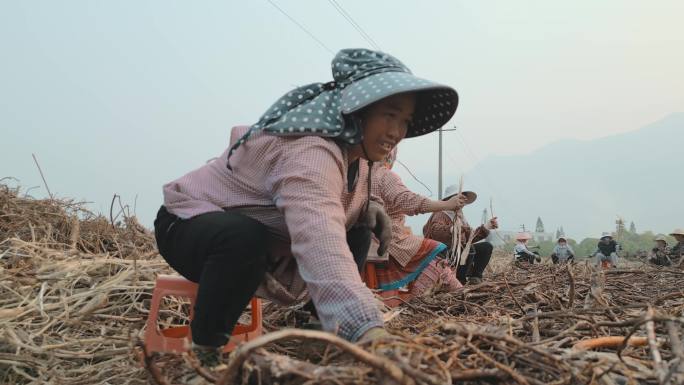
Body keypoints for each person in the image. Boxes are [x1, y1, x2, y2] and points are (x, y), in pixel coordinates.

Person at [154, 48, 459, 365]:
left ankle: (317, 328)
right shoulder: (310, 152)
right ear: (357, 111)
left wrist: (369, 207)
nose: (397, 132)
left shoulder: (361, 157)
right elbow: (320, 238)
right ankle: (204, 352)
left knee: (356, 230)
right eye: (389, 115)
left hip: (265, 239)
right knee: (243, 238)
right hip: (187, 225)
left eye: (405, 121)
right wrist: (369, 330)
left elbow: (338, 202)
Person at [368, 150, 466, 296]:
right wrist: (447, 207)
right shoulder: (385, 176)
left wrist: (484, 228)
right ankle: (419, 297)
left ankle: (460, 289)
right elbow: (409, 202)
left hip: (368, 237)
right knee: (437, 251)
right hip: (390, 239)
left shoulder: (362, 175)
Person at [423, 184, 499, 284]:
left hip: (459, 255)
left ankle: (475, 277)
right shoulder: (441, 213)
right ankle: (459, 280)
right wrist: (452, 229)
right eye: (460, 199)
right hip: (443, 255)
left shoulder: (459, 217)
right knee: (465, 249)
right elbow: (436, 232)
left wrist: (487, 226)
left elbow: (469, 238)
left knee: (486, 247)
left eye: (464, 199)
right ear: (451, 199)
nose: (463, 203)